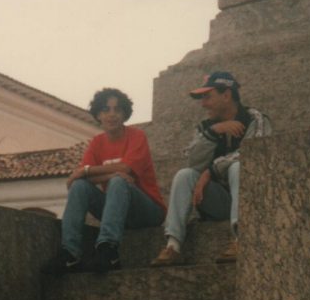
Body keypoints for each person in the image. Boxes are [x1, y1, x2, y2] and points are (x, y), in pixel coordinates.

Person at [150, 70, 271, 266]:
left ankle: (241, 239)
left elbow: (252, 155)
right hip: (219, 201)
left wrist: (211, 171)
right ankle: (173, 245)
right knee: (184, 175)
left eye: (207, 97)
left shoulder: (255, 118)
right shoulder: (205, 127)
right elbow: (193, 162)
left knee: (237, 167)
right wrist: (214, 132)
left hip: (250, 199)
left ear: (226, 95)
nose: (203, 103)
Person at [59, 88, 166, 272]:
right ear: (98, 115)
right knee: (80, 186)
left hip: (147, 211)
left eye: (117, 109)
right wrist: (107, 174)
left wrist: (86, 170)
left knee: (118, 182)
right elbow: (82, 179)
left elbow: (125, 169)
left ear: (124, 114)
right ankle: (70, 253)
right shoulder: (97, 142)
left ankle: (108, 250)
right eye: (106, 109)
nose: (112, 114)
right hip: (116, 209)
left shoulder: (136, 136)